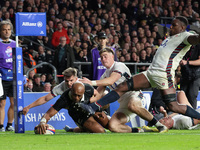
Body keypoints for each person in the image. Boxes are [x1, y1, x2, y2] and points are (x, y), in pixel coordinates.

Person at [86, 16, 200, 126]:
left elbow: (195, 39)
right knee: (122, 87)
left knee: (173, 106)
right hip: (151, 73)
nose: (171, 27)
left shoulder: (186, 36)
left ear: (182, 28)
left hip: (163, 74)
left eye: (174, 25)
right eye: (171, 25)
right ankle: (93, 107)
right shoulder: (170, 38)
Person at [80, 47, 167, 133]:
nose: (103, 59)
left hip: (135, 95)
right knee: (113, 126)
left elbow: (111, 81)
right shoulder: (104, 75)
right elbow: (98, 94)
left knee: (132, 105)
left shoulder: (119, 65)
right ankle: (141, 130)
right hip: (123, 103)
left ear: (112, 57)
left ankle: (159, 125)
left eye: (105, 56)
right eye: (101, 58)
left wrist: (91, 82)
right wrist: (83, 102)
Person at [35, 82, 107, 134]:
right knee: (100, 131)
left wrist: (93, 106)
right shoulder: (63, 99)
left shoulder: (88, 88)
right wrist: (43, 122)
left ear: (83, 92)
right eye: (74, 95)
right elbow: (48, 114)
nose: (76, 98)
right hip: (78, 114)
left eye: (79, 96)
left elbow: (97, 95)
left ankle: (78, 129)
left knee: (109, 125)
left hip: (91, 108)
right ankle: (76, 129)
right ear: (71, 90)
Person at [23, 68, 100, 115]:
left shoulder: (83, 84)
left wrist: (89, 101)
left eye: (71, 80)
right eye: (66, 81)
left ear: (76, 79)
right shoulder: (60, 87)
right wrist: (29, 107)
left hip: (89, 106)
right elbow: (45, 99)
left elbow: (97, 95)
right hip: (74, 109)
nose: (69, 83)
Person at [0, 21, 15, 131]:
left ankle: (9, 125)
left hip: (13, 76)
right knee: (2, 103)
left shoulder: (15, 44)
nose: (7, 31)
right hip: (1, 77)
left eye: (9, 29)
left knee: (13, 102)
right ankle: (1, 126)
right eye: (4, 29)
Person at [180, 43, 200, 108]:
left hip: (196, 75)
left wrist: (187, 62)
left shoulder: (198, 46)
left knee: (192, 95)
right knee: (183, 95)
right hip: (185, 74)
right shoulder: (185, 46)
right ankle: (183, 116)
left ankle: (193, 116)